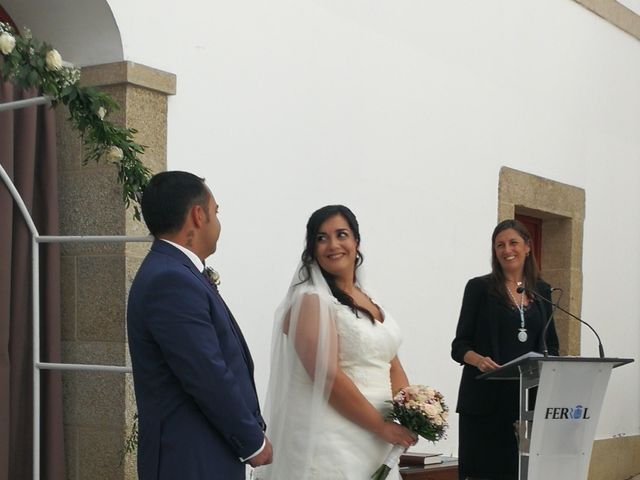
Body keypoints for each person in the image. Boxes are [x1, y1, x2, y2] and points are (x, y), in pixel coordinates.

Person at [127, 171, 272, 480]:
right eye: (215, 212)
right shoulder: (171, 279)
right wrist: (252, 441)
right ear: (197, 215)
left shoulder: (174, 272)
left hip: (201, 454)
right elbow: (206, 372)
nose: (218, 222)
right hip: (189, 459)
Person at [254, 205, 416, 480]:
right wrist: (380, 426)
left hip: (379, 438)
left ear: (356, 241)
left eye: (341, 234)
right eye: (321, 238)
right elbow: (326, 376)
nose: (333, 245)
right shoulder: (311, 299)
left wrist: (409, 412)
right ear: (312, 249)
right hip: (335, 437)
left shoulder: (371, 298)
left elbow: (392, 364)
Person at [451, 219, 560, 480]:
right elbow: (459, 346)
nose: (506, 250)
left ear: (528, 247)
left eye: (513, 243)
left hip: (525, 402)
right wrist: (478, 360)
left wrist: (550, 363)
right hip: (485, 402)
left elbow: (552, 345)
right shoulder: (479, 288)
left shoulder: (542, 291)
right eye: (500, 245)